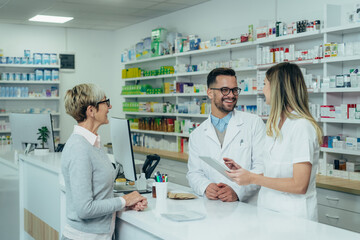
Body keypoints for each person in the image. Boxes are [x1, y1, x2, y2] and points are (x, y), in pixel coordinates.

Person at [225, 62, 323, 221]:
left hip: (294, 218)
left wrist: (252, 178)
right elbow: (273, 171)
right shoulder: (275, 124)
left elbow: (300, 185)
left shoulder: (302, 126)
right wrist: (245, 173)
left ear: (278, 88)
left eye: (265, 84)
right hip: (268, 211)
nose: (262, 89)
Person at [61, 83, 148, 240]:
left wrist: (127, 203)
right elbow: (84, 209)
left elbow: (99, 194)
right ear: (91, 110)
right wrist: (124, 200)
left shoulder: (92, 143)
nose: (109, 106)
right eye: (105, 102)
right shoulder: (79, 148)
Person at [187, 68, 265, 203]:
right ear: (210, 93)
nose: (231, 95)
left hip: (246, 207)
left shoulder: (253, 123)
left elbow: (262, 167)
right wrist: (205, 186)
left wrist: (237, 190)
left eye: (235, 90)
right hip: (212, 207)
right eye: (224, 90)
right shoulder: (197, 135)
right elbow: (194, 173)